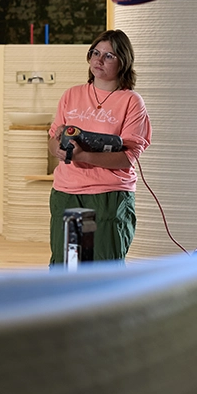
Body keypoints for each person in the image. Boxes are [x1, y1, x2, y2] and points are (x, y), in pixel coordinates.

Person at [48, 29, 151, 264]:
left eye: (109, 56)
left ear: (123, 62)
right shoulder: (71, 95)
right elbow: (53, 138)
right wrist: (58, 148)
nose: (99, 59)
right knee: (68, 265)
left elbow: (128, 157)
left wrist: (84, 155)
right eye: (95, 52)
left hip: (108, 195)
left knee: (105, 265)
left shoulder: (130, 101)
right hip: (68, 192)